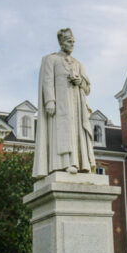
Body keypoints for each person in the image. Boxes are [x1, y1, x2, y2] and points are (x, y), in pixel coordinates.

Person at [32, 28, 96, 178]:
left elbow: (87, 89)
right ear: (61, 42)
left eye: (73, 41)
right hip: (59, 104)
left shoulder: (78, 64)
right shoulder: (51, 59)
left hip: (76, 107)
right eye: (69, 41)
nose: (72, 44)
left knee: (76, 132)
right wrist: (49, 101)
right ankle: (65, 164)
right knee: (62, 132)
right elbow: (47, 81)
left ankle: (80, 163)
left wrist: (80, 82)